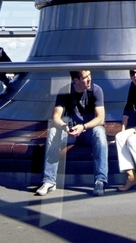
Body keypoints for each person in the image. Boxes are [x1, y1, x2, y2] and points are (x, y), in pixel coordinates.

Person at [36, 69, 108, 197]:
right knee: (53, 132)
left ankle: (100, 181)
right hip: (71, 131)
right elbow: (56, 117)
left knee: (100, 133)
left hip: (88, 130)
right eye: (85, 77)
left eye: (90, 75)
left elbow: (100, 118)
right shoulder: (65, 90)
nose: (89, 79)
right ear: (76, 80)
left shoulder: (96, 90)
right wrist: (65, 128)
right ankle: (49, 181)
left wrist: (83, 127)